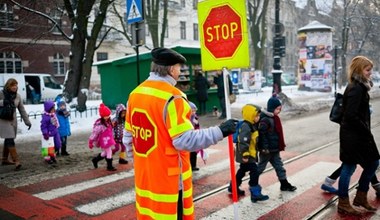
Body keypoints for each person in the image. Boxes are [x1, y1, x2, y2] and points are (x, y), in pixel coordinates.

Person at [122, 47, 237, 220]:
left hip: (145, 176)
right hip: (170, 182)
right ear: (170, 69)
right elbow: (185, 140)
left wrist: (141, 162)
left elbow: (128, 137)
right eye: (178, 68)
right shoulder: (174, 97)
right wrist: (220, 131)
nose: (179, 71)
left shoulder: (136, 94)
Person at [336, 56, 380, 215]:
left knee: (373, 162)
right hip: (354, 137)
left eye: (371, 69)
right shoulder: (356, 88)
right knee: (349, 167)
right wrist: (365, 130)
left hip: (358, 135)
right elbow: (350, 116)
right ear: (359, 70)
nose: (370, 73)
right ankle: (343, 202)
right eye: (367, 70)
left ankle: (361, 196)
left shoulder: (360, 87)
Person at [228, 104, 269, 202]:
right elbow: (243, 141)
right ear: (250, 116)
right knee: (254, 171)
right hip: (246, 154)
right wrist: (245, 155)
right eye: (256, 116)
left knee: (242, 170)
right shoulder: (246, 126)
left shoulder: (253, 125)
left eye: (259, 116)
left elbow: (255, 141)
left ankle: (233, 187)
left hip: (249, 153)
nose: (258, 118)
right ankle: (255, 192)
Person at [256, 94, 297, 192]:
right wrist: (264, 148)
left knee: (279, 167)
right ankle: (253, 183)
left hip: (274, 149)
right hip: (266, 150)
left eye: (280, 109)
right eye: (277, 109)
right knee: (260, 168)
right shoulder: (265, 119)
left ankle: (284, 184)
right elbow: (262, 135)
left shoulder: (274, 118)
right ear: (271, 108)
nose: (279, 111)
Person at [0, 78, 31, 171]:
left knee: (8, 139)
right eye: (13, 85)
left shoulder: (18, 96)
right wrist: (3, 102)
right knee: (10, 139)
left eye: (16, 85)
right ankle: (17, 161)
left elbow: (22, 110)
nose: (15, 87)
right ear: (8, 86)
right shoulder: (1, 94)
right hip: (3, 121)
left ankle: (5, 160)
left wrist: (27, 121)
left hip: (12, 121)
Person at [88, 103, 117, 171]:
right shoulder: (100, 125)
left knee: (105, 153)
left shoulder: (108, 122)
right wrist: (91, 141)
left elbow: (110, 130)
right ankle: (109, 166)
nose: (107, 117)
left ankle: (95, 160)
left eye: (108, 115)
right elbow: (95, 133)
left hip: (108, 139)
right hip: (104, 141)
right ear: (102, 116)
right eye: (105, 116)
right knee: (109, 151)